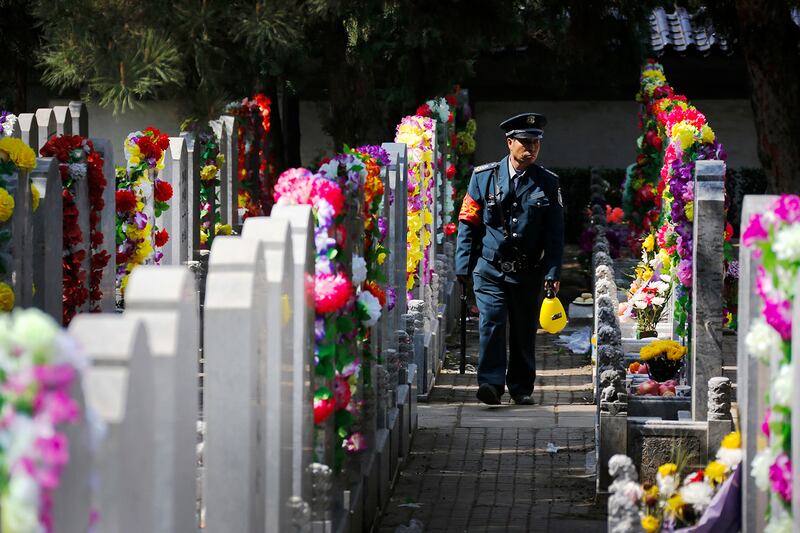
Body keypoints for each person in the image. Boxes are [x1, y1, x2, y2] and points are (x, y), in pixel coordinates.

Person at [455, 112, 564, 405]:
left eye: (536, 143)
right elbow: (468, 223)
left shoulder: (548, 183)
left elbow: (555, 233)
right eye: (525, 142)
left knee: (523, 327)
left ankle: (521, 386)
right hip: (489, 268)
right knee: (491, 321)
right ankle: (490, 383)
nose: (531, 148)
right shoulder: (483, 178)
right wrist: (462, 266)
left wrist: (552, 273)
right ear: (509, 142)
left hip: (528, 271)